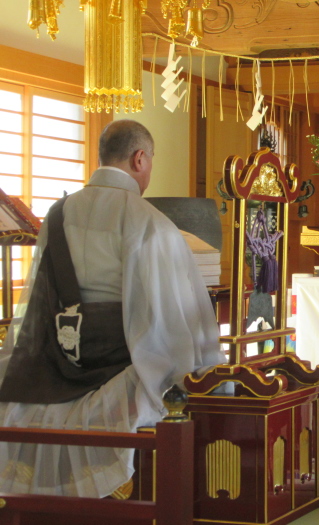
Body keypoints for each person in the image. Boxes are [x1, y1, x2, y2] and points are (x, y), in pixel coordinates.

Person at [0, 119, 226, 497]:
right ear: (140, 159)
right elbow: (172, 312)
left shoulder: (57, 213)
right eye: (150, 161)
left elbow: (41, 295)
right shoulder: (148, 220)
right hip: (121, 357)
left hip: (60, 355)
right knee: (191, 370)